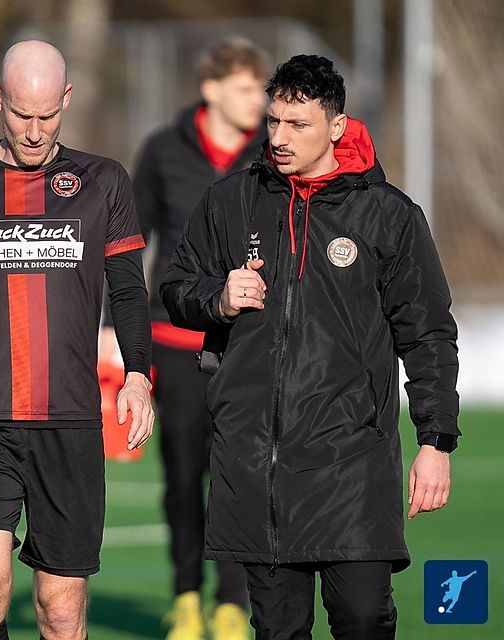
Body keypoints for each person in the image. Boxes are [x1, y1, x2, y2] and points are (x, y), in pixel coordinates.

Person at [161, 54, 459, 639]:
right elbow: (174, 288)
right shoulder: (230, 201)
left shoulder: (389, 215)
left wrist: (435, 440)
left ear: (337, 126)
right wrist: (218, 299)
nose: (280, 137)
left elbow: (427, 332)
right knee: (279, 631)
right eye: (273, 121)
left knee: (362, 618)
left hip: (353, 460)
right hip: (258, 465)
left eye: (298, 125)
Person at [0, 40, 154, 640]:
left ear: (67, 99)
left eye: (48, 115)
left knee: (60, 610)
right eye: (21, 114)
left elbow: (128, 291)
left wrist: (138, 376)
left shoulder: (104, 180)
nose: (35, 131)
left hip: (69, 421)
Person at [104, 36, 270, 640]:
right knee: (181, 478)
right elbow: (127, 246)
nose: (259, 101)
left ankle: (232, 604)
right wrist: (111, 328)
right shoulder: (162, 150)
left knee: (241, 477)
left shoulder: (273, 151)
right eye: (246, 88)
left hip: (248, 344)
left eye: (261, 89)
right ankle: (186, 599)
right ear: (211, 89)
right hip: (173, 341)